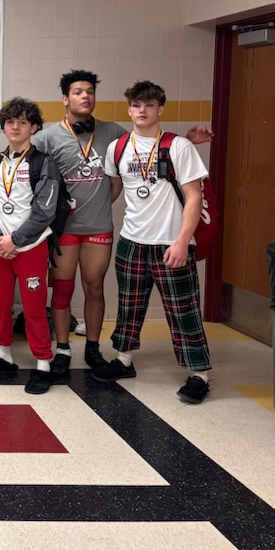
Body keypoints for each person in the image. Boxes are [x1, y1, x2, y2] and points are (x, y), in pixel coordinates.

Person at [33, 70, 213, 376]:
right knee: (74, 293)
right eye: (78, 92)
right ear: (65, 99)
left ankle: (95, 348)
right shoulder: (56, 137)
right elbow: (22, 152)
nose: (85, 96)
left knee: (98, 287)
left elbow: (157, 159)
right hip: (78, 232)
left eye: (90, 91)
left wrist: (188, 142)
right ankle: (69, 349)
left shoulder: (114, 134)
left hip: (111, 229)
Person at [92, 81, 213, 404]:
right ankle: (124, 359)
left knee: (182, 310)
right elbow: (116, 189)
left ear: (160, 108)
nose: (141, 111)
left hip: (171, 242)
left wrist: (182, 241)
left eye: (148, 105)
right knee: (129, 306)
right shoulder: (117, 148)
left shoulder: (179, 147)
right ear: (129, 109)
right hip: (132, 240)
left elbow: (193, 196)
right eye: (136, 105)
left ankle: (199, 373)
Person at [0, 97, 59, 395]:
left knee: (33, 308)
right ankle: (3, 355)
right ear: (3, 126)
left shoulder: (43, 163)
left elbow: (45, 210)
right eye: (10, 122)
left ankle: (43, 363)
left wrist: (16, 240)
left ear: (33, 127)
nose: (15, 126)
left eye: (22, 122)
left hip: (31, 247)